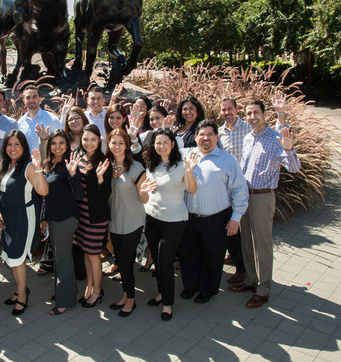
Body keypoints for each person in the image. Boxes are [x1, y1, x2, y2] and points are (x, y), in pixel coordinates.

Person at [228, 99, 300, 309]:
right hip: (244, 197)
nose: (252, 117)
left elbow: (294, 168)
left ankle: (264, 288)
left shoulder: (275, 138)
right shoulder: (248, 137)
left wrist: (289, 149)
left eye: (256, 113)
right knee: (246, 243)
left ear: (264, 114)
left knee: (262, 244)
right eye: (249, 113)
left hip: (262, 197)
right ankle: (251, 280)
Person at [180, 120, 248, 304]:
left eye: (210, 134)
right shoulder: (186, 156)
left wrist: (236, 218)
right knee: (189, 255)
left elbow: (240, 190)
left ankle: (208, 290)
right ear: (195, 137)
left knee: (213, 257)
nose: (206, 138)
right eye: (202, 134)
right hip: (189, 218)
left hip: (216, 219)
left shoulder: (227, 160)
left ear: (217, 138)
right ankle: (190, 286)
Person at [143, 128, 198, 321]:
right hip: (151, 218)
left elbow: (191, 189)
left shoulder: (181, 165)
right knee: (157, 260)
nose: (162, 146)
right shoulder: (152, 163)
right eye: (158, 142)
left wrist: (189, 171)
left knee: (165, 261)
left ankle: (167, 303)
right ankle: (161, 293)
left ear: (173, 144)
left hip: (174, 221)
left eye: (166, 142)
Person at [0, 131, 49, 316]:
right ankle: (19, 290)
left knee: (18, 259)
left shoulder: (28, 167)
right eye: (9, 144)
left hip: (23, 217)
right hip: (7, 217)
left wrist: (39, 168)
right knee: (11, 257)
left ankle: (23, 297)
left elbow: (42, 191)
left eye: (17, 144)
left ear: (24, 147)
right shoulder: (5, 165)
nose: (13, 148)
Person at [106, 129, 156, 316]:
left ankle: (131, 300)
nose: (117, 146)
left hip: (132, 222)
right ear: (109, 145)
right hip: (115, 223)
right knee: (120, 261)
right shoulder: (107, 166)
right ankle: (125, 295)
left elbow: (144, 200)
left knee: (126, 264)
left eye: (121, 142)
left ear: (127, 145)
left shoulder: (136, 168)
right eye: (114, 142)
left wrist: (144, 191)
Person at [41, 129, 84, 315]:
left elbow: (79, 195)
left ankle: (65, 300)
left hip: (66, 218)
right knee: (60, 257)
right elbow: (45, 195)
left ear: (67, 145)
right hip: (53, 217)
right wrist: (43, 217)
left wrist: (74, 175)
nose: (57, 147)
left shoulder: (70, 165)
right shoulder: (49, 164)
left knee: (63, 258)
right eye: (54, 143)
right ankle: (66, 290)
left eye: (61, 143)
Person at [74, 124, 112, 308]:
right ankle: (89, 287)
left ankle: (97, 291)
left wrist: (100, 179)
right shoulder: (80, 157)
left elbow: (106, 193)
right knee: (86, 253)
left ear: (99, 141)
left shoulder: (103, 161)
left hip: (95, 216)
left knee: (93, 254)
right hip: (81, 214)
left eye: (93, 139)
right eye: (86, 139)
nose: (89, 143)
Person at [217, 96, 251, 285]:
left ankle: (243, 269)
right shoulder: (219, 132)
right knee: (230, 228)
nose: (227, 113)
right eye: (223, 110)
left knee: (241, 230)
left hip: (244, 187)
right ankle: (234, 256)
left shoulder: (248, 129)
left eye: (230, 109)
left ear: (237, 109)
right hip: (226, 187)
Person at [17, 85, 61, 150]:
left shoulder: (52, 119)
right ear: (24, 101)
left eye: (34, 97)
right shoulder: (20, 123)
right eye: (28, 97)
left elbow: (61, 142)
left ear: (40, 99)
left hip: (46, 159)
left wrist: (46, 138)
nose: (31, 100)